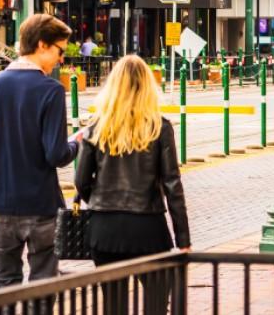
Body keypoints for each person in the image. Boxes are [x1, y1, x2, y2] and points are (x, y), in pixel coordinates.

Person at [0, 14, 82, 288]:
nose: (61, 58)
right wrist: (77, 142)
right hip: (41, 207)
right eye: (60, 50)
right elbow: (56, 155)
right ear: (42, 45)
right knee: (43, 287)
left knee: (4, 286)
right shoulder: (51, 90)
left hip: (0, 206)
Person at [75, 55, 191, 314]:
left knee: (114, 306)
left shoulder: (97, 126)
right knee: (157, 302)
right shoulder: (159, 127)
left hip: (104, 231)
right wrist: (183, 237)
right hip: (147, 228)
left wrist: (99, 200)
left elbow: (81, 182)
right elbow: (173, 185)